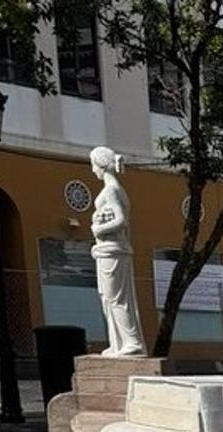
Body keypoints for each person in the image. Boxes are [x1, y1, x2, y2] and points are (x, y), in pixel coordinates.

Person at [89, 146, 147, 356]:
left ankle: (132, 342)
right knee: (109, 298)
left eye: (93, 165)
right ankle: (118, 343)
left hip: (114, 251)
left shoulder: (111, 190)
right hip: (109, 250)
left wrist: (98, 229)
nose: (92, 170)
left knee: (116, 298)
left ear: (101, 165)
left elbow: (121, 220)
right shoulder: (115, 189)